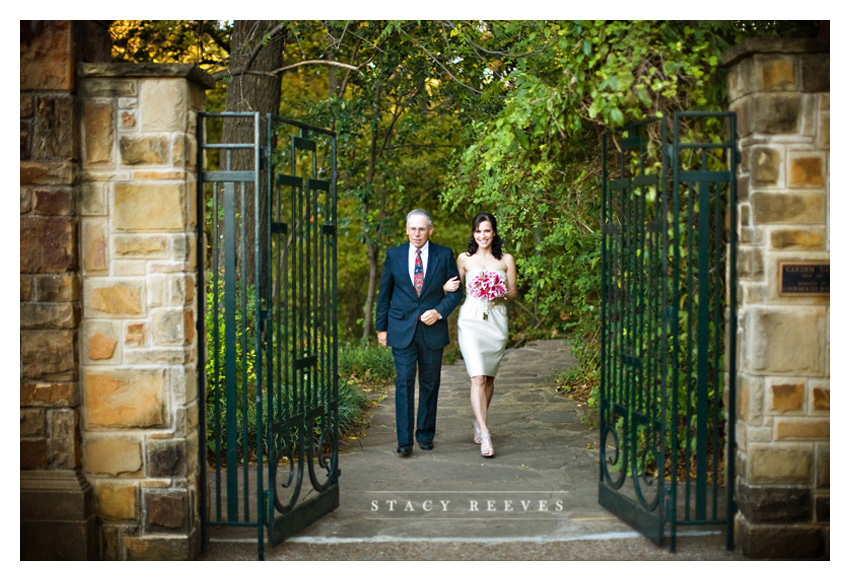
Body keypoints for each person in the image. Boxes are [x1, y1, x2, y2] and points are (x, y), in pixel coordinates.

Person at [376, 209, 463, 457]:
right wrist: (381, 328)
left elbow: (456, 292)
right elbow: (384, 294)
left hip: (432, 330)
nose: (417, 233)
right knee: (404, 382)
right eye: (413, 228)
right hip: (400, 328)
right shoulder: (394, 255)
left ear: (430, 231)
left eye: (422, 229)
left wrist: (438, 311)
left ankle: (425, 434)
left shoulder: (444, 255)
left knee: (429, 383)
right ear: (407, 230)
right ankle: (404, 441)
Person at [443, 212, 517, 457]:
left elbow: (514, 292)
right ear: (473, 233)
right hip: (472, 319)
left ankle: (478, 420)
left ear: (494, 232)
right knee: (477, 378)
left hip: (496, 319)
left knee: (489, 378)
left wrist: (501, 292)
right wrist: (444, 287)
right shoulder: (464, 259)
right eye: (478, 231)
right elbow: (453, 289)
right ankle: (485, 433)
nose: (482, 235)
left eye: (486, 230)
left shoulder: (506, 259)